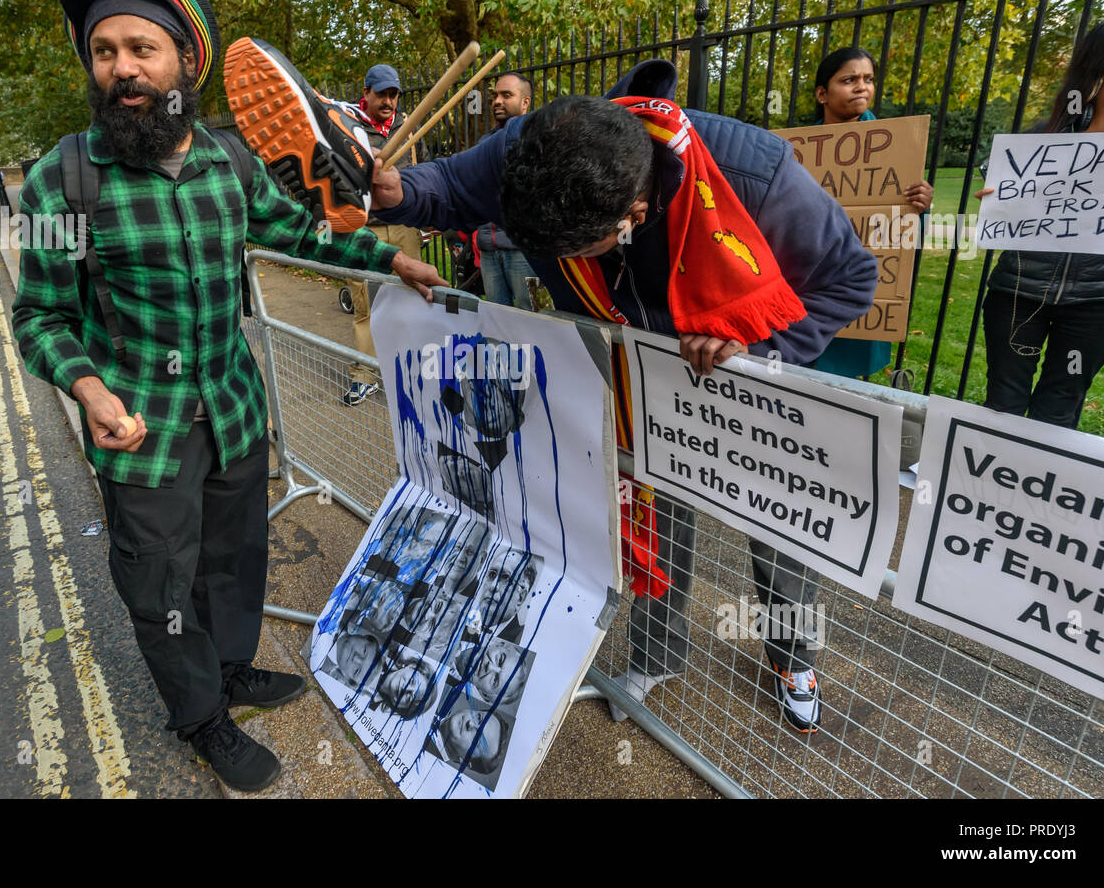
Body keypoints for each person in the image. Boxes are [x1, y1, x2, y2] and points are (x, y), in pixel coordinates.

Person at [12, 0, 444, 793]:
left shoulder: (230, 164)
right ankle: (202, 714)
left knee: (237, 552)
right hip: (144, 432)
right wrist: (90, 389)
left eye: (143, 49)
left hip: (235, 409)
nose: (123, 70)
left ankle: (235, 664)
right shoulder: (60, 183)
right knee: (160, 578)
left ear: (184, 61)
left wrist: (387, 262)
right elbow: (40, 317)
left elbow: (305, 232)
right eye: (106, 53)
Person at [370, 57, 877, 734]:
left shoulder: (756, 173)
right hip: (652, 377)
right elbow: (446, 187)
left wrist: (753, 353)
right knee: (654, 501)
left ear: (633, 214)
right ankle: (658, 653)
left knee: (773, 518)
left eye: (580, 249)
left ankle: (792, 655)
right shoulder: (530, 153)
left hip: (754, 371)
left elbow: (849, 278)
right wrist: (390, 187)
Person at [979, 17, 1104, 428]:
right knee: (1003, 400)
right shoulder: (1046, 135)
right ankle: (984, 486)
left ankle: (1037, 490)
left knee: (1061, 403)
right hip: (1020, 290)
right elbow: (1002, 184)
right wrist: (997, 194)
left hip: (1103, 301)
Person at [809, 47, 933, 380]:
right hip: (808, 283)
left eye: (868, 79)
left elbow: (905, 236)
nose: (861, 87)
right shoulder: (800, 147)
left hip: (859, 286)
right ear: (822, 93)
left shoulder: (897, 148)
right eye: (849, 79)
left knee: (842, 390)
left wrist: (921, 207)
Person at [341, 64, 431, 404]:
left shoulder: (409, 126)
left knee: (413, 299)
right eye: (382, 94)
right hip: (365, 231)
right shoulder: (348, 127)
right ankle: (364, 374)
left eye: (394, 94)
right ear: (367, 92)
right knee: (366, 305)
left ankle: (411, 370)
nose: (389, 101)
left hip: (406, 228)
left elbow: (424, 169)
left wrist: (427, 213)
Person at [470, 72, 539, 310]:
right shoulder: (484, 143)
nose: (497, 101)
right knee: (497, 324)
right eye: (495, 95)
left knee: (531, 321)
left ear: (525, 102)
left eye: (506, 95)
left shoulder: (538, 139)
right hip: (489, 252)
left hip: (524, 253)